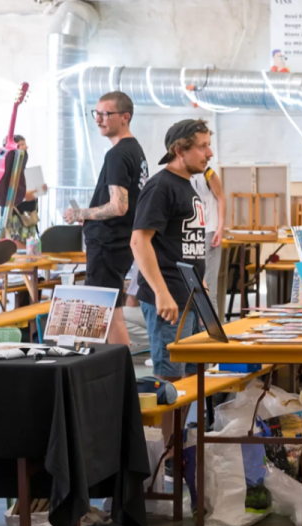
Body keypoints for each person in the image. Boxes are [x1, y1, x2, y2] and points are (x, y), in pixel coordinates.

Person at [131, 119, 211, 449]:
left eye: (209, 145)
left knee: (190, 374)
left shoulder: (187, 185)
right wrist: (162, 292)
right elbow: (139, 242)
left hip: (189, 294)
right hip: (169, 299)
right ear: (179, 150)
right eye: (202, 146)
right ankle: (166, 454)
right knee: (169, 377)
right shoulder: (161, 185)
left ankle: (178, 447)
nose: (209, 153)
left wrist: (200, 282)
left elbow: (184, 242)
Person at [64, 91, 148, 346]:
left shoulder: (118, 154)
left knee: (109, 315)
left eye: (105, 114)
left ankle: (120, 376)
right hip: (117, 242)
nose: (99, 119)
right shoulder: (135, 150)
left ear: (125, 117)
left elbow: (119, 206)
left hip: (109, 244)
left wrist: (81, 213)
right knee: (111, 312)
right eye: (96, 113)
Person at [189, 166, 226, 310]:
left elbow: (221, 197)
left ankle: (213, 330)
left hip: (209, 232)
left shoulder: (208, 173)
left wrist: (220, 228)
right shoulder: (179, 174)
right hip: (191, 234)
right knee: (194, 290)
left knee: (209, 290)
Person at [0, 135, 47, 248]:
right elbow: (8, 195)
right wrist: (27, 195)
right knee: (21, 254)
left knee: (30, 254)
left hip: (28, 217)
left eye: (25, 144)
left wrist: (39, 190)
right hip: (16, 218)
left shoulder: (24, 171)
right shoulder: (7, 172)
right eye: (22, 144)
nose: (26, 147)